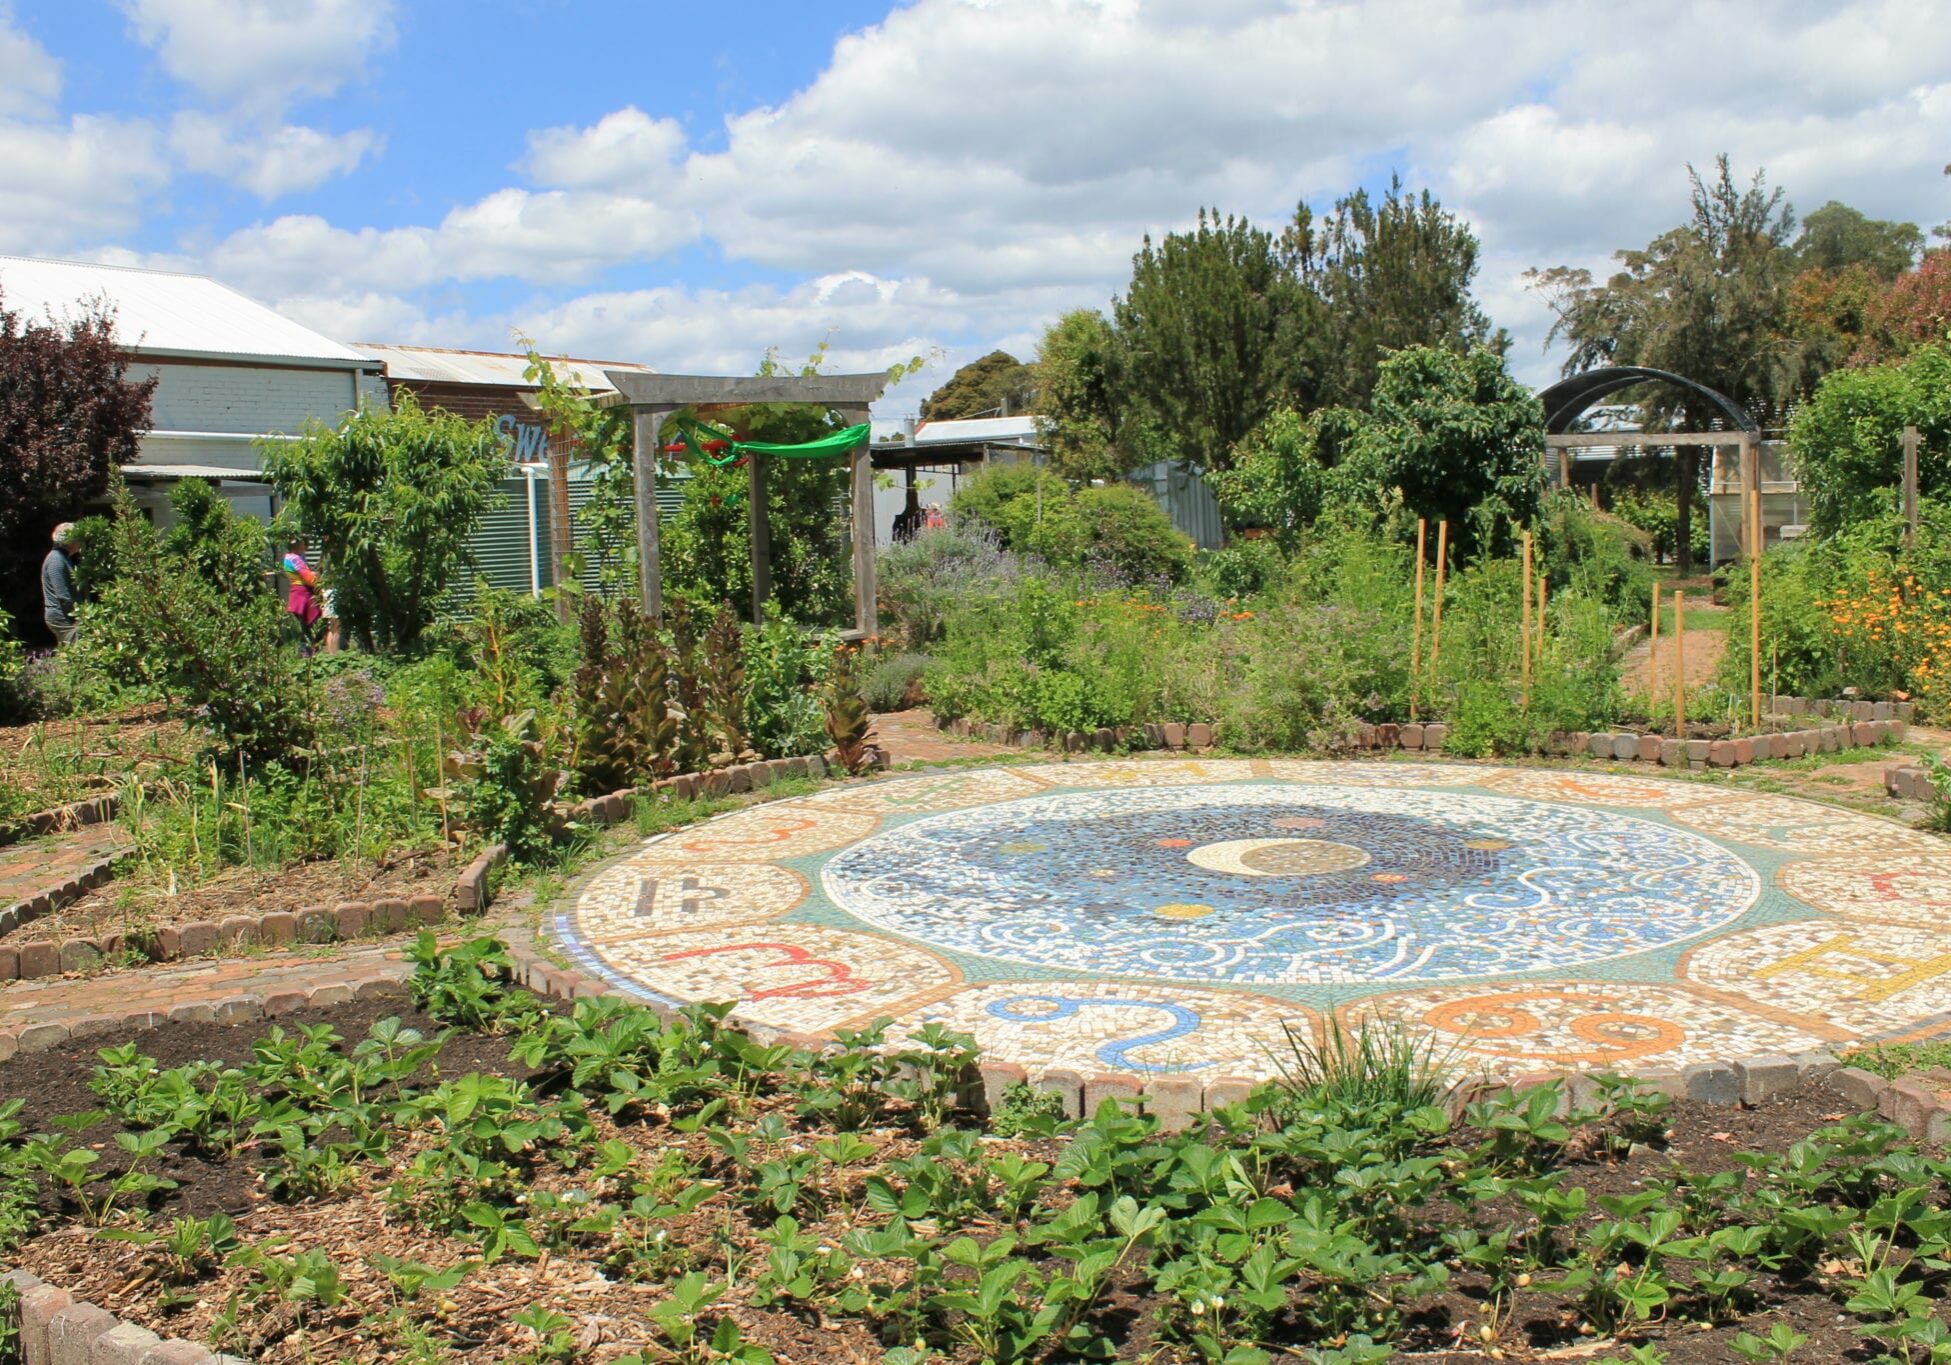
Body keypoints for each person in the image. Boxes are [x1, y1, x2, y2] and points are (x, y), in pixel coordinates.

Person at [41, 523, 79, 646]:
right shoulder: (56, 560)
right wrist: (77, 616)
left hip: (63, 614)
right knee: (79, 650)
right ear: (70, 540)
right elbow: (63, 595)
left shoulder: (62, 558)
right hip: (62, 615)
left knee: (69, 652)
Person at [281, 538, 323, 645]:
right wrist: (319, 580)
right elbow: (308, 577)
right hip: (303, 595)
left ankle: (306, 650)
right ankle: (309, 651)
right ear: (298, 546)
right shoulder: (295, 559)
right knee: (310, 627)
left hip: (296, 594)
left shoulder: (287, 558)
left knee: (304, 628)